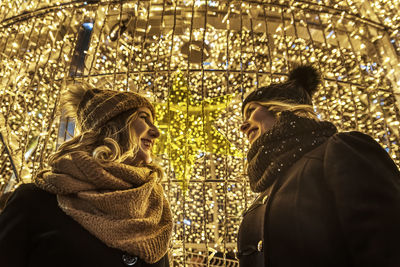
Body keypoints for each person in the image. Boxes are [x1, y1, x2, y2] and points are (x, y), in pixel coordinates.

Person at [236, 65, 400, 267]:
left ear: (279, 107)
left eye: (251, 110)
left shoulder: (340, 150)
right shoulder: (266, 187)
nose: (243, 126)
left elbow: (387, 246)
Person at [0, 84, 173, 267]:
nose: (156, 132)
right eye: (144, 118)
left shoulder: (153, 206)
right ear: (112, 126)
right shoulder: (35, 200)